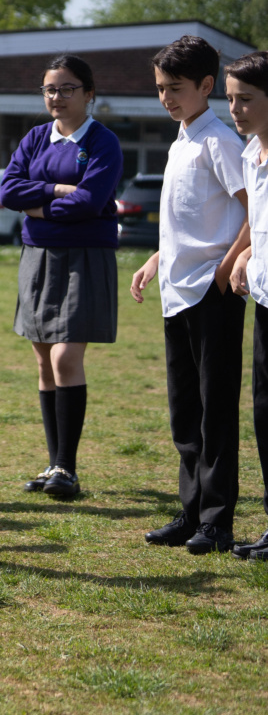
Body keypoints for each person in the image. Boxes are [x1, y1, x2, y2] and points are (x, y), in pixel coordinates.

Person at [132, 35, 250, 555]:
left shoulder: (220, 141)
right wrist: (158, 259)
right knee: (184, 409)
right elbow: (186, 217)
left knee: (215, 410)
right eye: (160, 88)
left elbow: (255, 209)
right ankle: (190, 512)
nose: (166, 98)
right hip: (178, 292)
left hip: (212, 291)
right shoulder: (182, 139)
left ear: (207, 85)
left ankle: (217, 522)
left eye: (175, 88)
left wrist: (228, 266)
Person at [0, 55, 125, 501]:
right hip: (38, 254)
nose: (57, 97)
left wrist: (39, 207)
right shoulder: (36, 137)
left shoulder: (103, 142)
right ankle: (53, 464)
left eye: (68, 88)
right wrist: (54, 191)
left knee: (66, 358)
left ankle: (67, 469)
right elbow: (8, 190)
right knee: (42, 358)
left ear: (89, 94)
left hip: (85, 257)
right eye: (50, 89)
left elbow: (91, 202)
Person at [227, 50, 268, 559]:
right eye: (231, 99)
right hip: (263, 296)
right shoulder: (248, 154)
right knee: (264, 412)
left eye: (247, 99)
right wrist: (247, 254)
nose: (235, 110)